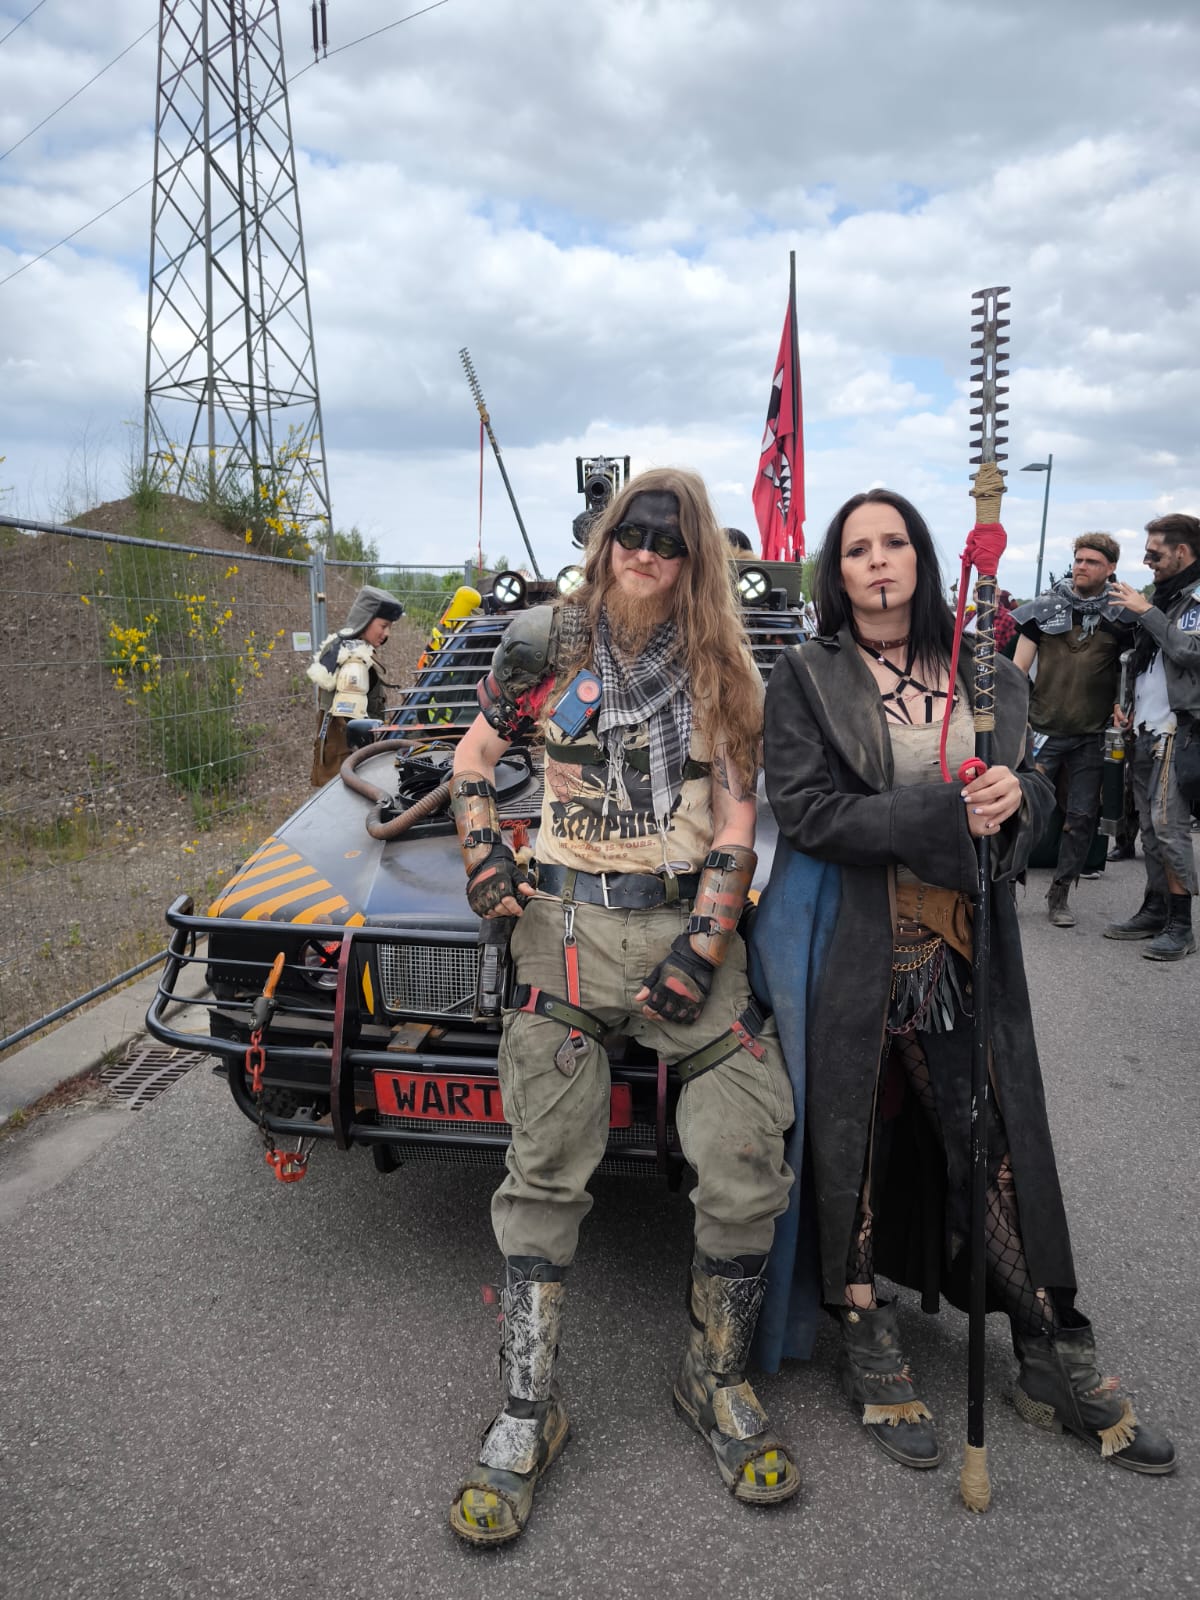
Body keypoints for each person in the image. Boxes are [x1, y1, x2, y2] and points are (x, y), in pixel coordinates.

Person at [759, 487, 1174, 1478]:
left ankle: (1046, 1347)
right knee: (853, 1142)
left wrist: (1011, 794)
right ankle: (865, 1329)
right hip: (850, 947)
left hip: (961, 946)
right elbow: (807, 811)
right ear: (837, 570)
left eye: (894, 542)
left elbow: (1032, 789)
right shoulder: (808, 675)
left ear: (922, 557)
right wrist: (945, 812)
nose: (878, 560)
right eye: (857, 548)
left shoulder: (983, 671)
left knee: (991, 1142)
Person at [446, 467, 800, 1545]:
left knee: (745, 1155)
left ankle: (714, 1377)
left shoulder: (725, 669)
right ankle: (527, 1408)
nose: (646, 552)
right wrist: (484, 858)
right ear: (605, 541)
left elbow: (735, 823)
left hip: (686, 933)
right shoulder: (542, 647)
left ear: (697, 557)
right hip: (566, 938)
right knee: (544, 1166)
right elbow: (473, 757)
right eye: (630, 534)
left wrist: (705, 944)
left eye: (669, 539)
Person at [1011, 534, 1133, 926]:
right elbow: (1017, 672)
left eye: (1092, 562)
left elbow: (1130, 672)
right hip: (1041, 730)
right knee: (1022, 813)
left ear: (1110, 568)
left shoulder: (1122, 617)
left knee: (1080, 818)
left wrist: (1124, 705)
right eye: (1078, 559)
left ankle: (1060, 894)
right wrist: (1016, 719)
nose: (1081, 566)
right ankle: (1005, 890)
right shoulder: (1045, 610)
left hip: (1092, 736)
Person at [1104, 513, 1200, 960]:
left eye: (1154, 554)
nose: (1147, 563)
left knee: (1168, 826)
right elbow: (1144, 663)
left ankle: (1182, 925)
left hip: (1178, 731)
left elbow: (1188, 651)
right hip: (1146, 726)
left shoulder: (1193, 597)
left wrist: (1147, 611)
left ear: (1182, 552)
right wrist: (1126, 702)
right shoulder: (1166, 597)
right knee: (1148, 826)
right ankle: (1156, 908)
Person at [306, 585, 403, 785]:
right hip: (349, 765)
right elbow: (354, 727)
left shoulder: (341, 648)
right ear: (365, 619)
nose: (387, 633)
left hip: (337, 761)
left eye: (390, 627)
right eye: (383, 625)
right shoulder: (354, 662)